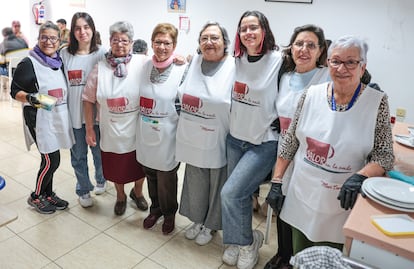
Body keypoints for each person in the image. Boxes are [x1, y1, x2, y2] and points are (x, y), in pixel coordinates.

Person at [268, 35, 394, 256]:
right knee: (301, 255)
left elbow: (384, 155)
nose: (341, 68)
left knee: (329, 257)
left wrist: (361, 176)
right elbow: (290, 142)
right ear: (328, 63)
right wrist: (277, 181)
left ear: (362, 67)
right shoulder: (310, 95)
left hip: (339, 202)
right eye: (335, 61)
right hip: (303, 194)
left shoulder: (376, 102)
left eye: (350, 62)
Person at [264, 24, 330, 269]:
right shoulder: (287, 76)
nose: (304, 49)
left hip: (311, 155)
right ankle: (283, 253)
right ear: (291, 47)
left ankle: (299, 257)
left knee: (302, 206)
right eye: (299, 44)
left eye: (311, 45)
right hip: (284, 151)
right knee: (281, 202)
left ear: (321, 50)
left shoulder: (327, 76)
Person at [220, 10, 282, 269]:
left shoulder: (279, 60)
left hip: (264, 141)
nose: (248, 33)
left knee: (230, 193)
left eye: (253, 27)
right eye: (243, 28)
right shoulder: (235, 60)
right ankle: (239, 240)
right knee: (241, 195)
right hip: (236, 137)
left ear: (264, 30)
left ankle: (247, 243)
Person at [177, 21, 235, 245]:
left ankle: (211, 226)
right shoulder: (193, 63)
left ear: (225, 42)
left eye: (215, 38)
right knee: (195, 181)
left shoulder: (234, 66)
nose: (209, 43)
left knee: (217, 183)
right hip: (192, 135)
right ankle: (197, 219)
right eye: (204, 38)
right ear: (199, 43)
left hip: (218, 136)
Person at [83, 21, 148, 216]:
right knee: (116, 165)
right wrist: (89, 129)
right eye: (115, 40)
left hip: (136, 126)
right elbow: (88, 99)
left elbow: (162, 66)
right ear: (110, 41)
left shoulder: (142, 62)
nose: (120, 44)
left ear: (131, 42)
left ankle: (137, 192)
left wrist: (178, 59)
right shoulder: (100, 67)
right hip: (110, 127)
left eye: (124, 40)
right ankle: (120, 196)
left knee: (139, 163)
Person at [10, 21, 74, 214]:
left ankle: (48, 194)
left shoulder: (58, 61)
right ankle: (36, 196)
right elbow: (15, 92)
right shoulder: (28, 63)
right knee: (50, 160)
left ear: (59, 40)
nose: (48, 41)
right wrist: (31, 98)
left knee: (53, 157)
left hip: (56, 116)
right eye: (44, 37)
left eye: (53, 38)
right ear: (38, 39)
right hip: (38, 118)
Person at [136, 23, 186, 235]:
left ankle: (169, 213)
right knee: (150, 172)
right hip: (145, 131)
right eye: (158, 42)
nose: (162, 47)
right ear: (152, 43)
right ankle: (154, 209)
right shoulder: (145, 66)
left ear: (174, 45)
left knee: (166, 177)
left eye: (167, 43)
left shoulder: (182, 69)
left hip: (168, 133)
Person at [60, 12, 107, 208]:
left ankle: (101, 180)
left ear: (93, 29)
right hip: (74, 117)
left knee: (99, 153)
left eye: (86, 27)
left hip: (97, 118)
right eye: (78, 28)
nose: (82, 32)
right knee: (78, 155)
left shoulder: (102, 54)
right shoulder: (64, 54)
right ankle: (83, 189)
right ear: (73, 32)